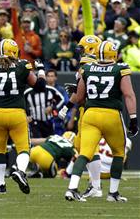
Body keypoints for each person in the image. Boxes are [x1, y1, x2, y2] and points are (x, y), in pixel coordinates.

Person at [61, 41, 138, 202]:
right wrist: (133, 118)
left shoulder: (87, 68)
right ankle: (113, 193)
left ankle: (72, 188)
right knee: (118, 152)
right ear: (114, 54)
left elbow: (80, 97)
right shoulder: (121, 68)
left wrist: (69, 104)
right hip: (111, 116)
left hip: (90, 115)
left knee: (85, 153)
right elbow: (129, 95)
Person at [0, 38, 46, 195]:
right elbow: (40, 86)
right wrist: (40, 70)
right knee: (24, 148)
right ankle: (20, 171)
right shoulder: (22, 66)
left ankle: (1, 186)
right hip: (17, 113)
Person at [59, 35, 103, 199]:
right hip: (97, 109)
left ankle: (95, 186)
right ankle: (96, 185)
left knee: (86, 148)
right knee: (81, 145)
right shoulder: (102, 64)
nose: (80, 52)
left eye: (83, 49)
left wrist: (68, 106)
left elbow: (79, 95)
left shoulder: (86, 64)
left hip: (89, 110)